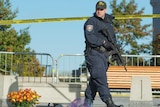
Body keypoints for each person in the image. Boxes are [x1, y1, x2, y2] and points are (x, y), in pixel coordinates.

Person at [83, 1, 123, 107]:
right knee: (100, 77)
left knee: (95, 78)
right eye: (97, 9)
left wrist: (114, 51)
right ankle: (109, 102)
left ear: (105, 10)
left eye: (101, 9)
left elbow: (112, 39)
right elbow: (90, 37)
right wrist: (103, 42)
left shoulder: (108, 23)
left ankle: (87, 102)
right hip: (94, 53)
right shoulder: (91, 22)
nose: (99, 11)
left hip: (104, 56)